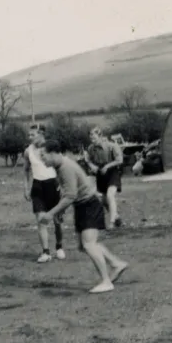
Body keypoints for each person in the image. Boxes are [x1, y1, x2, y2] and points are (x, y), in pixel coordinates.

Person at [38, 139, 128, 294]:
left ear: (53, 153)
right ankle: (116, 264)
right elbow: (68, 192)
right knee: (84, 245)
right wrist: (60, 211)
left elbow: (70, 195)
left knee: (89, 244)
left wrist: (51, 213)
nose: (41, 159)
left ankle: (106, 281)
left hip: (89, 205)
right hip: (82, 206)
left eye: (43, 155)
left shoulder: (65, 167)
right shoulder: (60, 166)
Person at [23, 126, 65, 263]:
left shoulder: (51, 147)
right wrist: (26, 188)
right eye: (29, 135)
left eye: (32, 134)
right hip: (37, 186)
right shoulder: (28, 151)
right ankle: (46, 252)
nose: (30, 137)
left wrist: (62, 186)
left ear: (41, 134)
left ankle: (59, 246)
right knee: (41, 220)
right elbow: (25, 171)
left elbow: (61, 166)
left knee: (57, 221)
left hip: (53, 185)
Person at [84, 128, 125, 228]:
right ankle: (117, 218)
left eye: (94, 136)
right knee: (103, 200)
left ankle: (111, 223)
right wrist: (91, 166)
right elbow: (88, 160)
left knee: (110, 195)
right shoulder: (90, 148)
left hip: (113, 173)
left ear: (100, 136)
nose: (92, 139)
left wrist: (107, 166)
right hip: (100, 174)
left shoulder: (112, 146)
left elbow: (119, 160)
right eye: (90, 137)